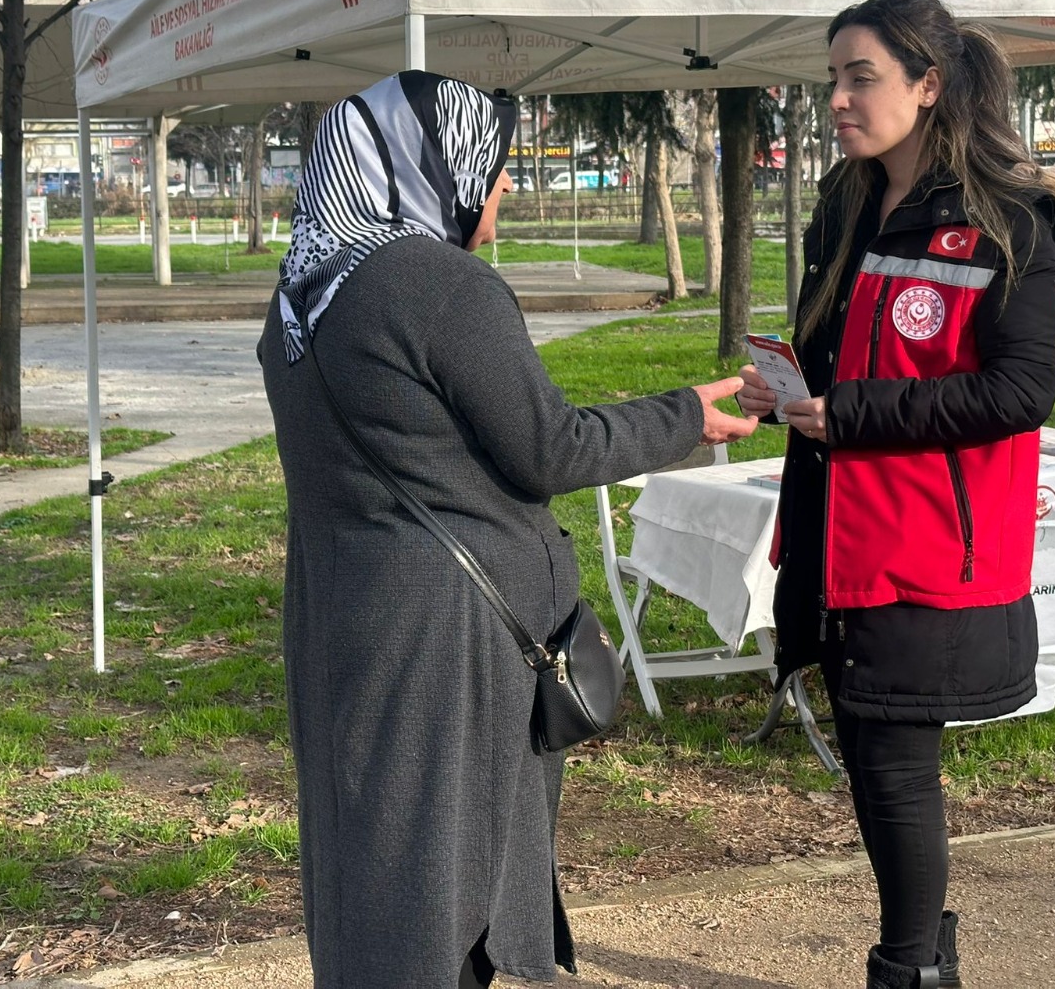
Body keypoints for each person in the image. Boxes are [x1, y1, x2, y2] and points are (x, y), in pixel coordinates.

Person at [258, 70, 758, 989]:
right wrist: (685, 414)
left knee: (375, 854)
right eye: (490, 163)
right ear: (434, 162)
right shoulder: (436, 282)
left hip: (348, 617)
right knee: (449, 869)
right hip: (450, 643)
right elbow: (547, 449)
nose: (503, 186)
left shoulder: (300, 295)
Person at [736, 0, 1055, 989]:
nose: (838, 101)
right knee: (871, 757)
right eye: (832, 80)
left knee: (893, 769)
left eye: (861, 78)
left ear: (927, 86)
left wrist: (853, 413)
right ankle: (920, 962)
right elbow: (833, 350)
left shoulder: (1007, 216)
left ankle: (907, 971)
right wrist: (784, 389)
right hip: (837, 532)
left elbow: (1019, 392)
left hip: (932, 543)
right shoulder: (845, 202)